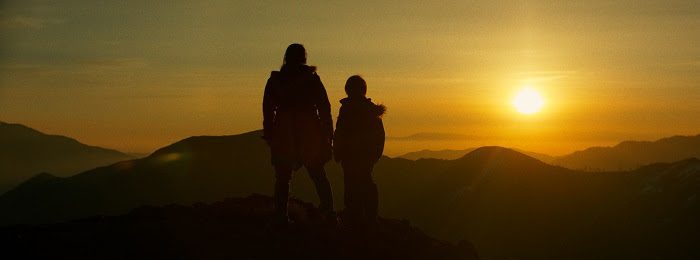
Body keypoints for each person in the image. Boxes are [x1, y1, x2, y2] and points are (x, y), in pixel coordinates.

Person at [263, 43, 335, 225]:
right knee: (318, 173)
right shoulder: (312, 79)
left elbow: (268, 108)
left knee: (283, 177)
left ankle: (281, 216)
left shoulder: (275, 81)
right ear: (304, 58)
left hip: (283, 131)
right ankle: (328, 213)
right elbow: (324, 107)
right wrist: (328, 133)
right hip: (309, 130)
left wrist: (270, 131)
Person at [333, 75, 385, 228]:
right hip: (365, 155)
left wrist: (337, 150)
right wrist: (375, 154)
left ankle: (354, 213)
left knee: (351, 182)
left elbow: (339, 131)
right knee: (365, 181)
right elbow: (379, 136)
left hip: (349, 154)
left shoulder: (346, 108)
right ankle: (369, 216)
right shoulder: (372, 111)